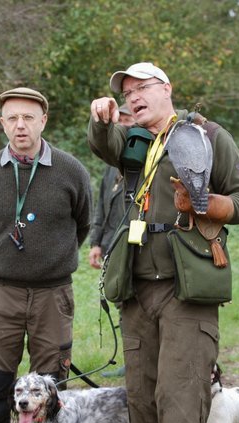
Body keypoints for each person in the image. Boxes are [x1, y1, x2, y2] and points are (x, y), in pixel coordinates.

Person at [88, 62, 239, 423]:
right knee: (143, 395)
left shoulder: (207, 136)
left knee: (179, 394)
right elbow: (103, 145)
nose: (134, 97)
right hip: (137, 287)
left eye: (142, 88)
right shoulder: (133, 141)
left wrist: (206, 204)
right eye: (127, 92)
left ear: (167, 89)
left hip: (187, 287)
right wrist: (100, 120)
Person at [0, 87, 91, 423]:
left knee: (50, 387)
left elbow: (83, 224)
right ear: (2, 123)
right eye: (12, 118)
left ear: (43, 121)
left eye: (28, 118)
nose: (20, 126)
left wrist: (51, 260)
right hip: (1, 292)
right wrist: (3, 261)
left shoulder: (71, 171)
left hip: (53, 294)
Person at [88, 103, 135, 378]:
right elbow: (101, 207)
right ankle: (131, 360)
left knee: (132, 302)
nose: (124, 125)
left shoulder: (142, 163)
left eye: (129, 120)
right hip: (110, 243)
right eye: (121, 120)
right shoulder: (110, 167)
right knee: (119, 299)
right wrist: (96, 243)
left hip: (132, 244)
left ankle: (136, 361)